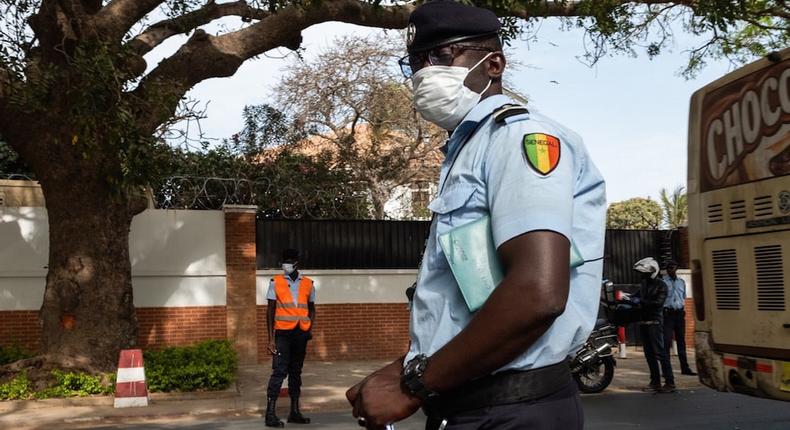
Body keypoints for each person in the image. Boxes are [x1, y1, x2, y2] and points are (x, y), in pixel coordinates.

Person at [346, 1, 607, 428]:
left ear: (494, 64)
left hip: (511, 411)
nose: (425, 71)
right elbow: (471, 297)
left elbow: (536, 295)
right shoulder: (469, 150)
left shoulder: (521, 138)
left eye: (443, 56)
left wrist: (413, 386)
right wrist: (406, 366)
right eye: (416, 62)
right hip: (472, 404)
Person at [265, 248, 315, 427]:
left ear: (296, 263)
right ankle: (270, 413)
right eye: (284, 260)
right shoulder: (275, 282)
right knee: (279, 371)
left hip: (300, 333)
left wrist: (310, 329)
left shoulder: (308, 283)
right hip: (283, 334)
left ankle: (294, 411)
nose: (285, 264)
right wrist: (271, 339)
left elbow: (312, 308)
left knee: (296, 372)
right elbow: (270, 310)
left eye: (288, 260)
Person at [631, 257, 676, 393]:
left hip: (655, 323)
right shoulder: (644, 284)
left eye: (644, 273)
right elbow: (636, 296)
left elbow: (658, 303)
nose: (642, 276)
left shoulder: (661, 285)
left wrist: (641, 301)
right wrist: (629, 298)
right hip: (644, 322)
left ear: (652, 271)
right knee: (649, 354)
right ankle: (655, 382)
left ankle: (670, 382)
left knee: (660, 353)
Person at [662, 259, 697, 376]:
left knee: (681, 341)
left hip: (679, 314)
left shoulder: (681, 282)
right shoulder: (663, 283)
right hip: (668, 314)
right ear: (666, 270)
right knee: (666, 342)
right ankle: (666, 369)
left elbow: (683, 298)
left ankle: (685, 367)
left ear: (676, 268)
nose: (671, 270)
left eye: (673, 267)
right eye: (669, 268)